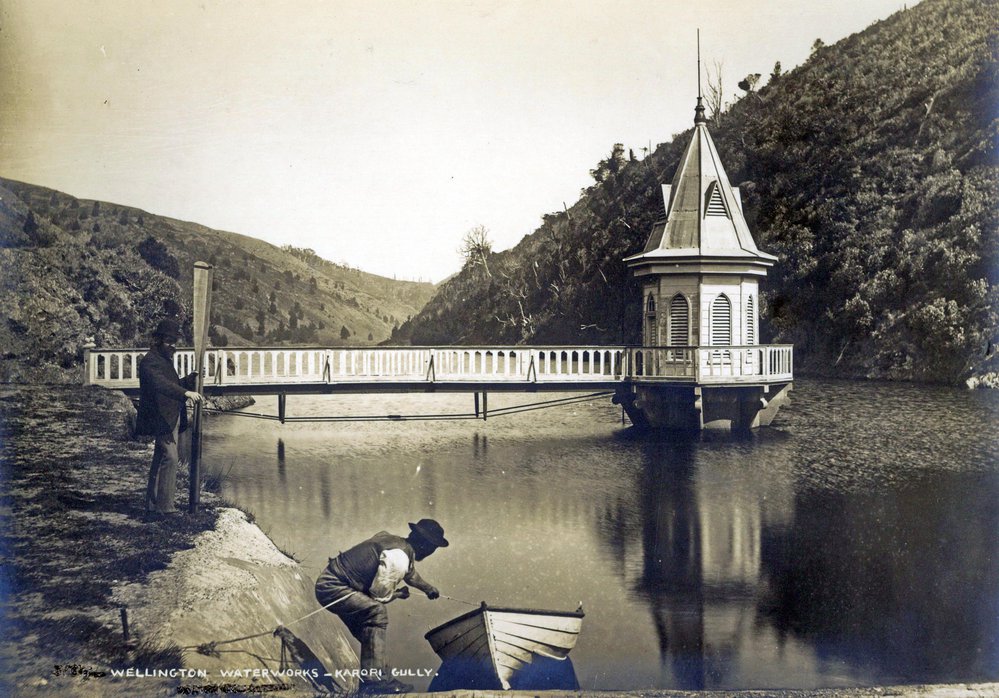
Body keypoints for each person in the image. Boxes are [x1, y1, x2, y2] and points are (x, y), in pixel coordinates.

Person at [315, 519, 448, 694]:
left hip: (336, 582)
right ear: (426, 546)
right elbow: (379, 597)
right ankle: (372, 682)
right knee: (376, 614)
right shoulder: (399, 558)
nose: (432, 552)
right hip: (333, 587)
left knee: (369, 632)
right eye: (433, 548)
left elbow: (410, 573)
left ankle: (379, 677)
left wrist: (427, 588)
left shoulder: (397, 544)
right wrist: (398, 595)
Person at [135, 318, 203, 515]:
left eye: (175, 341)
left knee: (161, 458)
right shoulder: (150, 362)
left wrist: (189, 380)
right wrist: (186, 393)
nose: (173, 345)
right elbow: (161, 385)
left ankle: (153, 505)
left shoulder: (163, 360)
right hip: (160, 417)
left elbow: (172, 383)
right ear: (158, 340)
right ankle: (164, 507)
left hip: (170, 415)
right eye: (168, 341)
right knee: (171, 458)